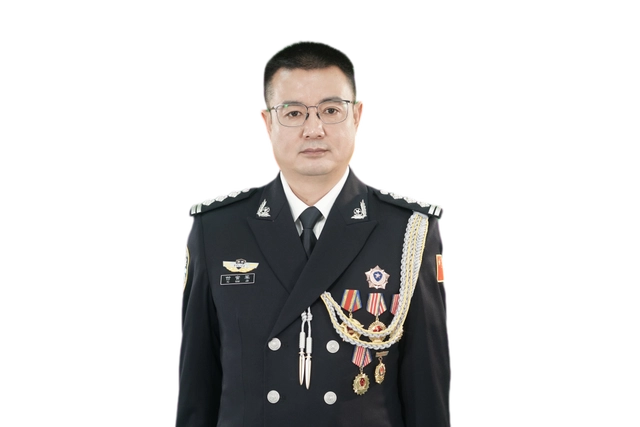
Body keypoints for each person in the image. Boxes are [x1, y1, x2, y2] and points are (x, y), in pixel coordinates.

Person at [176, 40, 450, 427]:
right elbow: (196, 389)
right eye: (294, 113)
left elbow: (428, 392)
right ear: (267, 122)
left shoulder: (408, 230)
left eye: (330, 110)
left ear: (358, 116)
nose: (313, 129)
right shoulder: (217, 228)